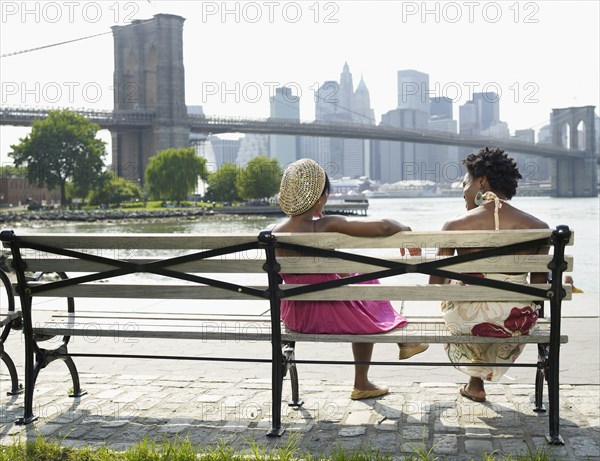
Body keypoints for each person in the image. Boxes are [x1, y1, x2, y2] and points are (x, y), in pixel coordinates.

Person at [270, 158, 428, 400]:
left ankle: (400, 344)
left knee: (359, 281)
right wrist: (405, 228)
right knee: (368, 281)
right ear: (320, 198)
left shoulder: (273, 233)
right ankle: (374, 368)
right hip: (325, 313)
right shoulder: (324, 226)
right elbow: (384, 227)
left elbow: (304, 275)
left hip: (295, 316)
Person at [429, 147, 550, 403]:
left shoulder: (454, 226)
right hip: (515, 323)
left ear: (482, 181)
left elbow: (434, 285)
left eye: (466, 183)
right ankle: (476, 384)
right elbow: (540, 289)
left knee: (464, 298)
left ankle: (474, 384)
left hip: (467, 322)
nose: (463, 190)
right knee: (503, 306)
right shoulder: (540, 228)